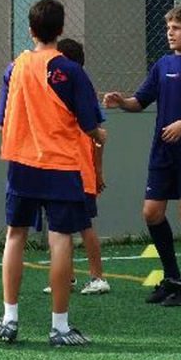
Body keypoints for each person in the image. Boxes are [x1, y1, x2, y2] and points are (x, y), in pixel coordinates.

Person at [0, 0, 107, 347]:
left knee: (15, 236)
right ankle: (59, 326)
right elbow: (91, 126)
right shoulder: (70, 71)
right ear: (60, 30)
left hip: (22, 165)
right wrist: (100, 134)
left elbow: (1, 123)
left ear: (30, 30)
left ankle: (9, 319)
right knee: (60, 240)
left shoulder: (15, 68)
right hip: (61, 165)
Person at [103, 5, 181, 307]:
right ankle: (173, 278)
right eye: (168, 27)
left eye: (177, 28)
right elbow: (140, 102)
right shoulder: (162, 64)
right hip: (162, 151)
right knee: (151, 212)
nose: (170, 33)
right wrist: (122, 101)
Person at [55, 38, 110, 295]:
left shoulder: (81, 90)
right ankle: (66, 277)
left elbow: (99, 136)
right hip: (61, 167)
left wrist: (98, 171)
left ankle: (98, 277)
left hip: (80, 171)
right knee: (58, 225)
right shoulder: (56, 92)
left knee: (84, 224)